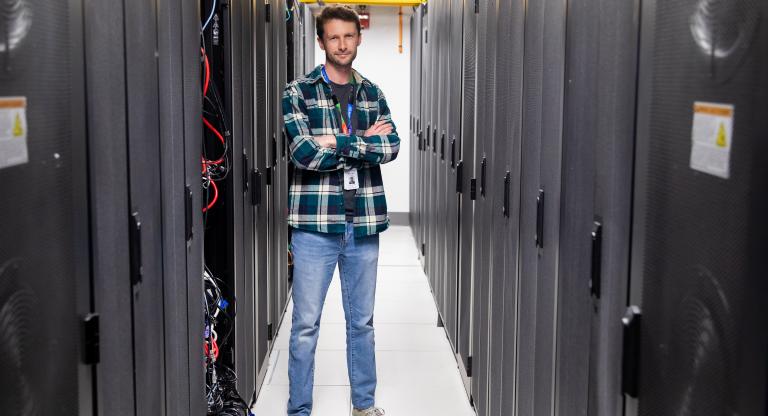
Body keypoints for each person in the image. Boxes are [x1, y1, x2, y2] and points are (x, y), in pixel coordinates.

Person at [281, 5, 400, 416]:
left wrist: (336, 141)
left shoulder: (373, 93)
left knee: (362, 324)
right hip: (315, 227)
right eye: (334, 37)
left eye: (349, 36)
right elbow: (302, 153)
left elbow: (392, 146)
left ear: (358, 39)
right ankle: (299, 409)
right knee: (305, 327)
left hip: (362, 224)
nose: (342, 44)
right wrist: (361, 141)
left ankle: (364, 407)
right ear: (321, 42)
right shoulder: (298, 92)